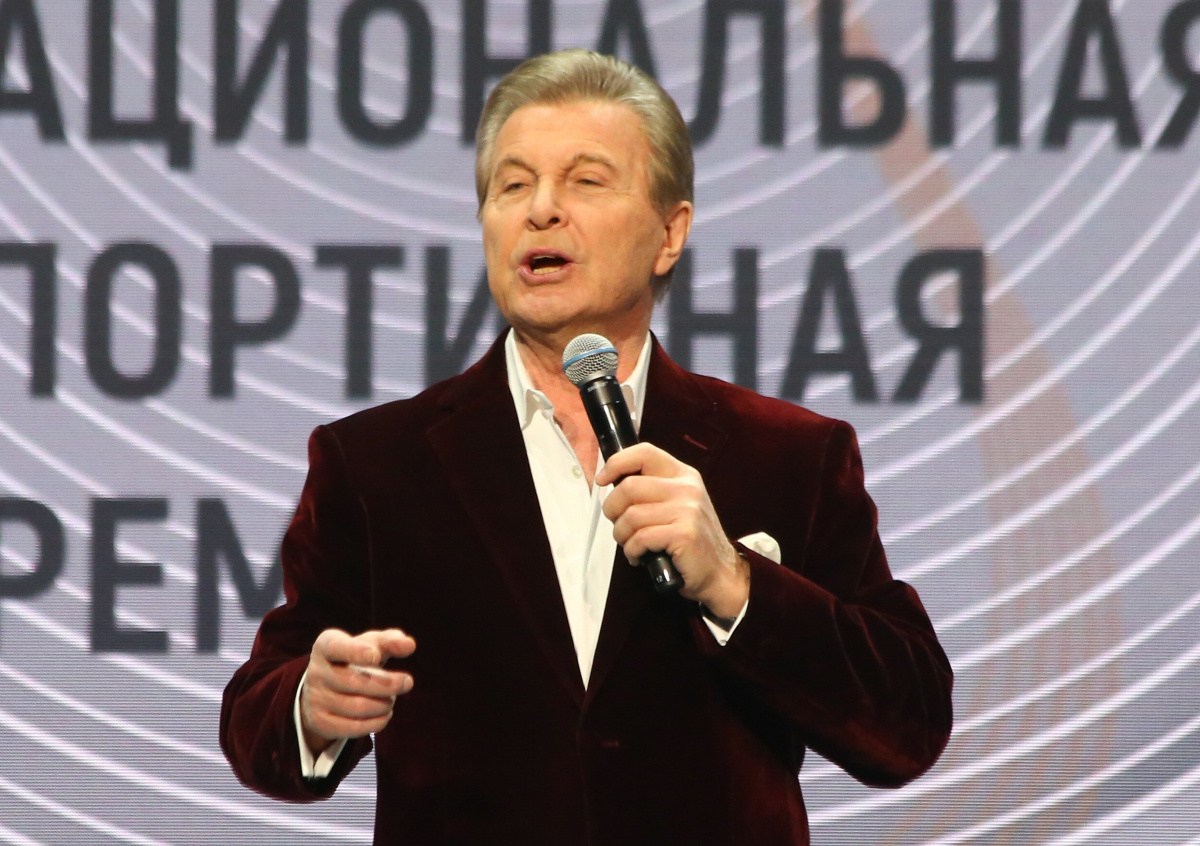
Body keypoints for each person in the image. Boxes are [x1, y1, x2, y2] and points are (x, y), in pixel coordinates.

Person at [220, 49, 953, 846]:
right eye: (512, 185)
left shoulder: (791, 456)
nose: (541, 209)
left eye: (586, 180)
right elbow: (258, 718)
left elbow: (907, 725)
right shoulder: (376, 464)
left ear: (669, 233)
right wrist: (312, 705)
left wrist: (736, 583)